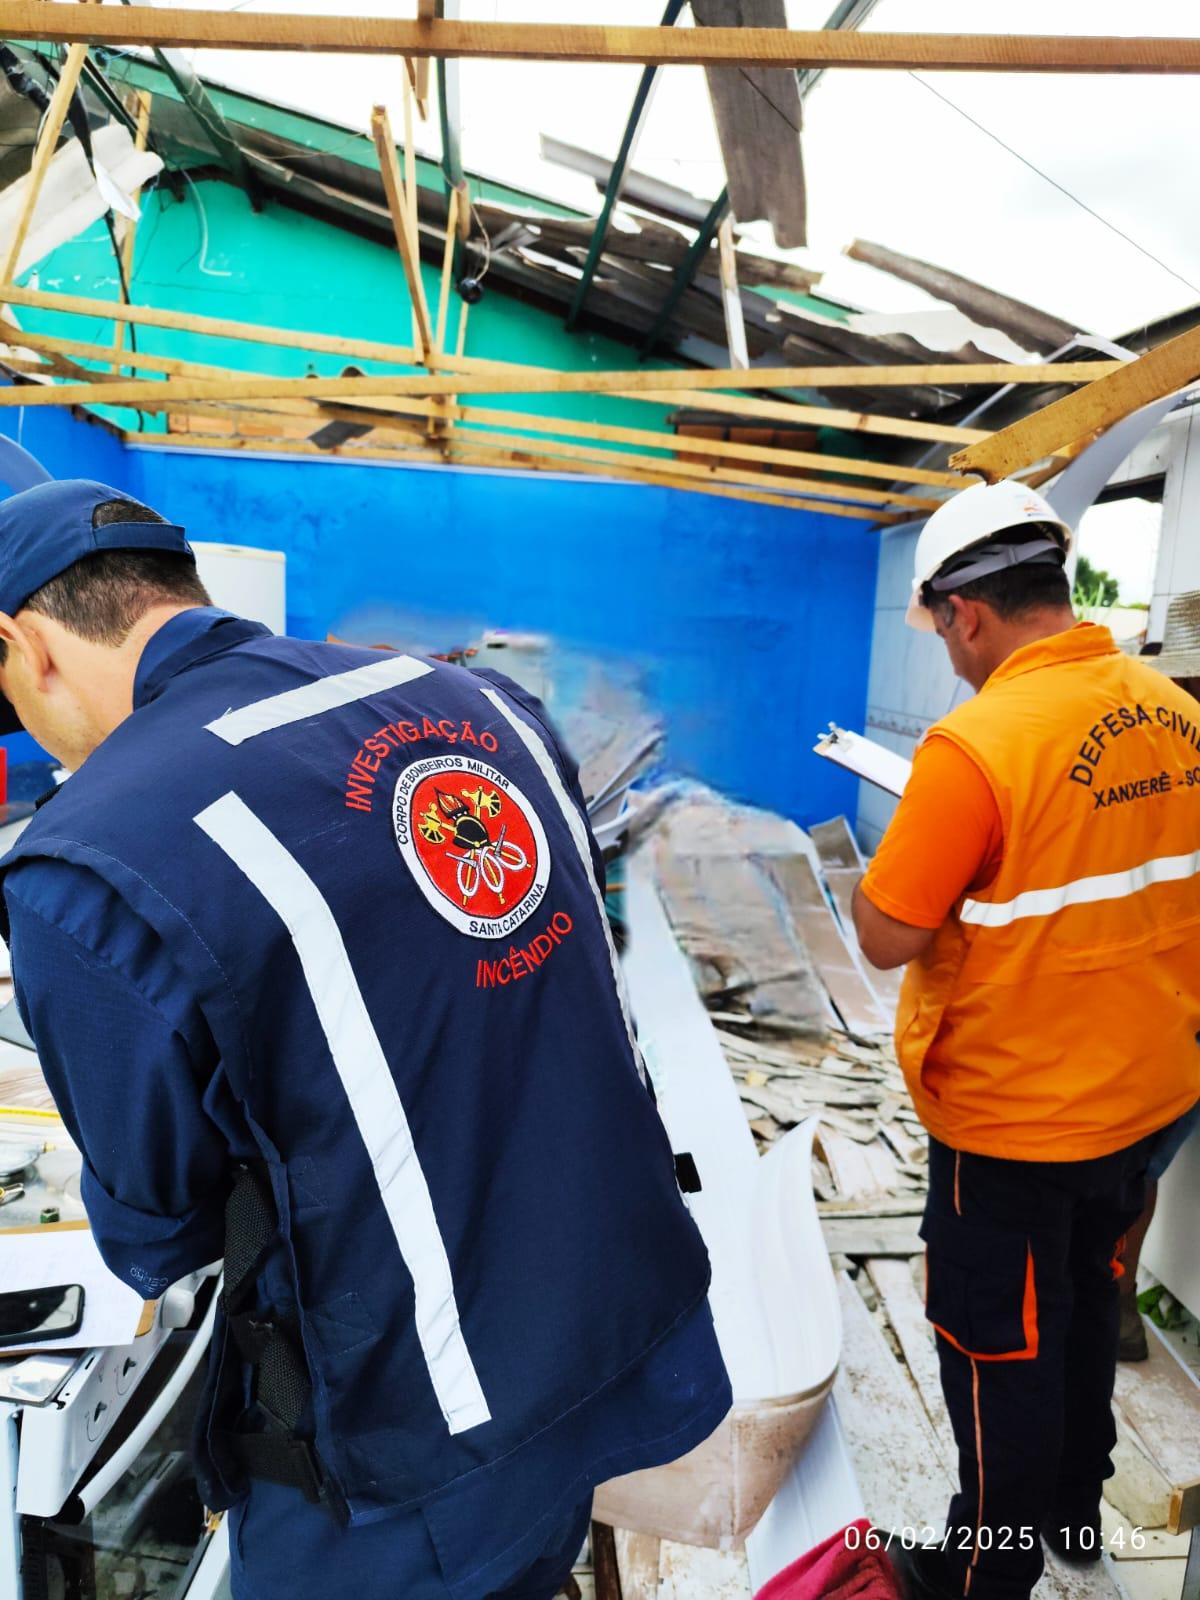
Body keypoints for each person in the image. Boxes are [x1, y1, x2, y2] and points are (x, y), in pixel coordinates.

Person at [0, 480, 732, 1600]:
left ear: (29, 644)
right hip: (598, 1352)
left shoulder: (89, 856)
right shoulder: (481, 706)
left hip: (403, 1456)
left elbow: (159, 1233)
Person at [851, 480, 1200, 1600]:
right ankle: (1073, 1516)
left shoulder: (979, 743)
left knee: (999, 1356)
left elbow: (884, 933)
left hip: (1016, 1128)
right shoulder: (1177, 713)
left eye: (942, 633)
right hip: (1150, 1100)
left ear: (965, 613)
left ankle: (982, 1578)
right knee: (1093, 1309)